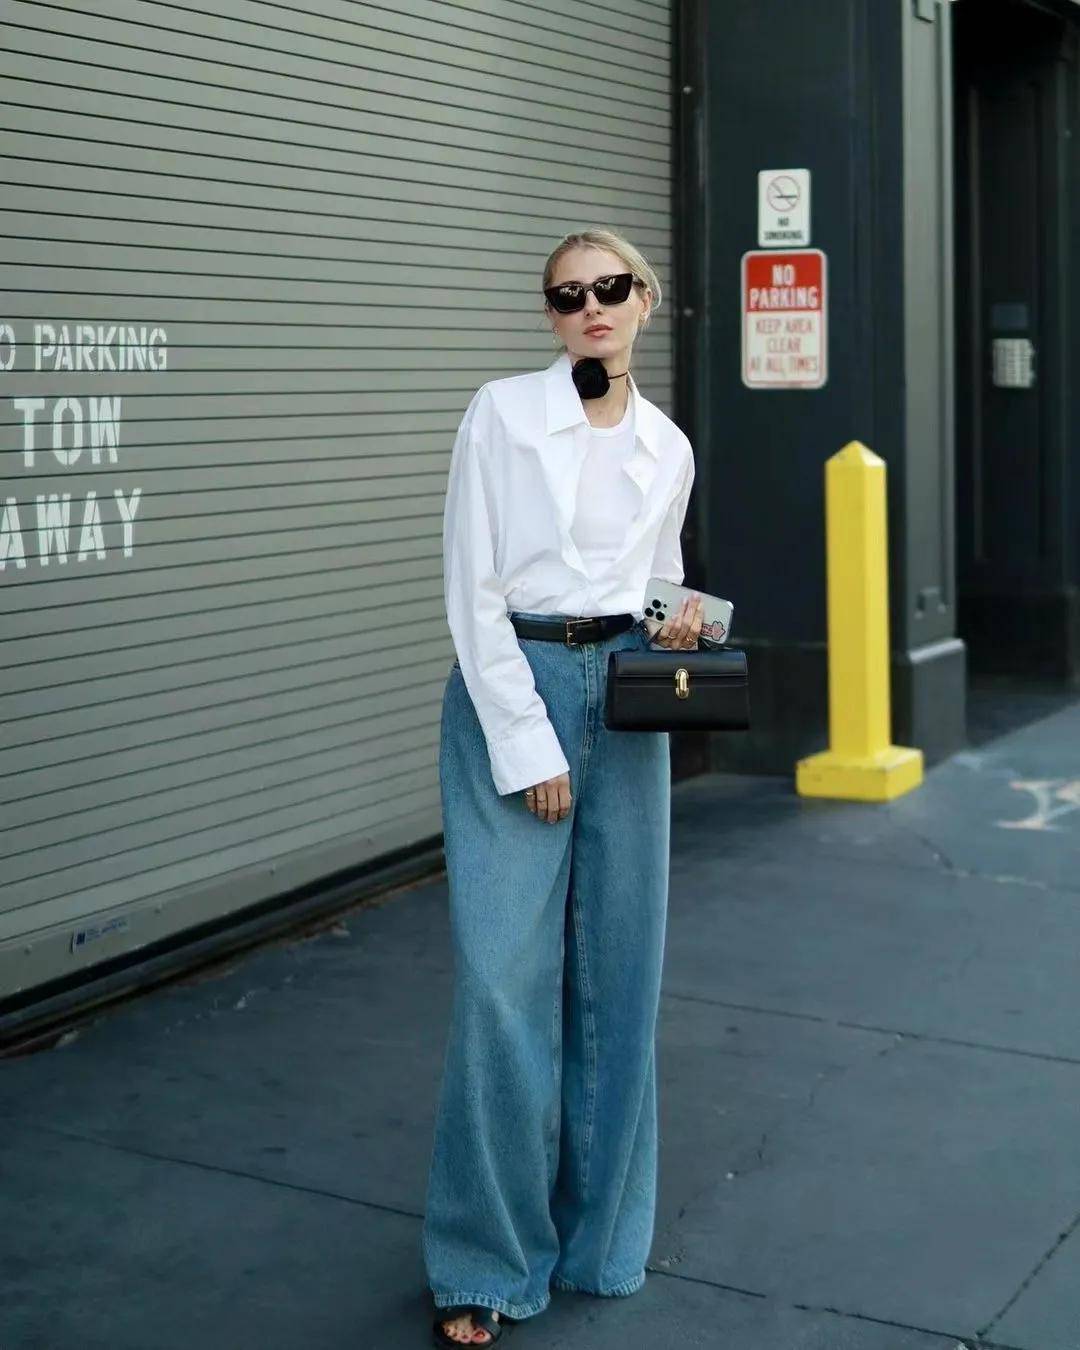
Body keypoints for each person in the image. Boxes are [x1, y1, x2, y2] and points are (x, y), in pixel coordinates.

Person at [423, 228, 704, 1347]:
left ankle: (601, 1243)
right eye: (567, 293)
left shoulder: (668, 445)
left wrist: (679, 618)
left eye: (611, 287)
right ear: (550, 314)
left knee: (620, 977)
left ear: (647, 299)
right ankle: (486, 1260)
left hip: (626, 698)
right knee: (502, 982)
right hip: (518, 682)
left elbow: (657, 578)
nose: (592, 305)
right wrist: (525, 741)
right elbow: (471, 585)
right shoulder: (500, 415)